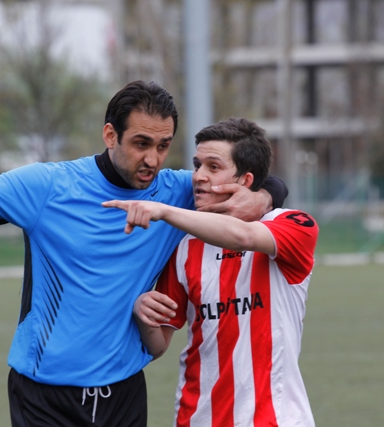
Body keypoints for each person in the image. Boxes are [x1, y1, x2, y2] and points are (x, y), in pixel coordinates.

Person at [0, 81, 287, 427]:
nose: (152, 159)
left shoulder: (176, 190)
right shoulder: (49, 186)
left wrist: (262, 196)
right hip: (44, 394)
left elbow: (266, 179)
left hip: (125, 390)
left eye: (163, 146)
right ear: (111, 135)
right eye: (141, 143)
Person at [103, 117, 319, 427]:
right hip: (197, 418)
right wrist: (144, 315)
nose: (199, 176)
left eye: (213, 167)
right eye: (197, 165)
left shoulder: (294, 225)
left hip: (277, 419)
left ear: (244, 180)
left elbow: (243, 236)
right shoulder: (185, 246)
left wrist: (163, 211)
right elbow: (158, 344)